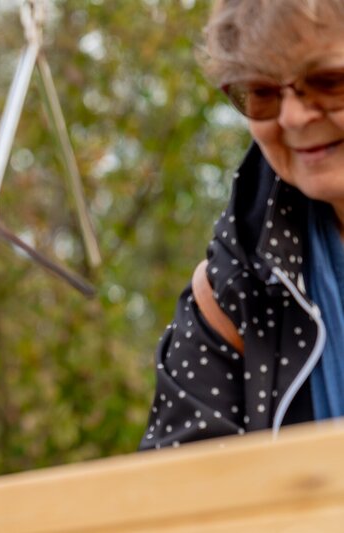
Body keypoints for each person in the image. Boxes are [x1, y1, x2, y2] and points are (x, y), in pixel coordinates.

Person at [141, 0, 344, 449]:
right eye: (263, 93)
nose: (293, 116)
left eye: (329, 82)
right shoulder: (232, 293)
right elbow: (181, 496)